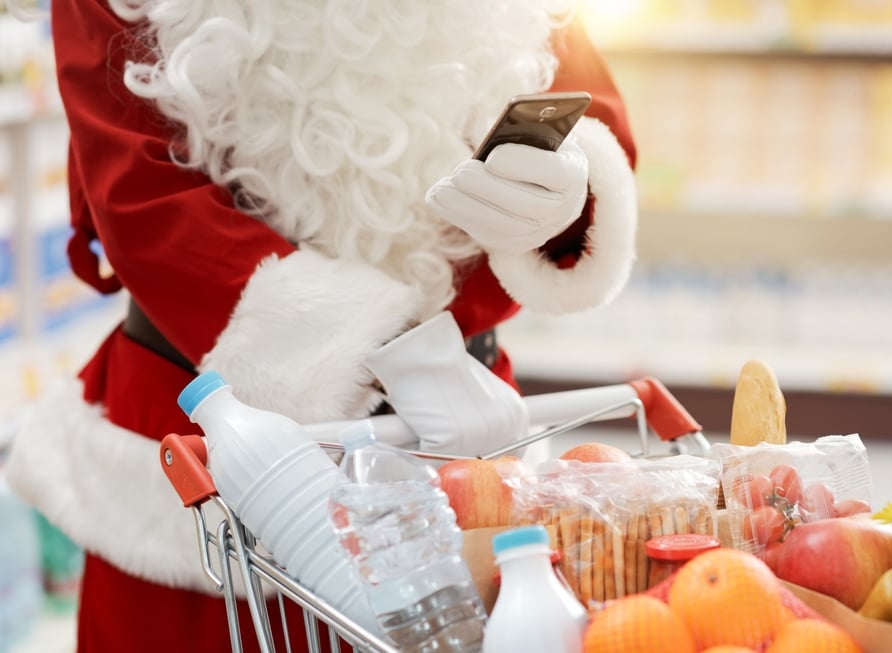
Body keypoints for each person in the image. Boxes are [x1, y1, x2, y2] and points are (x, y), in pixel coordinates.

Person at [7, 0, 638, 651]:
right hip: (220, 444)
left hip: (462, 424)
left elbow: (584, 105)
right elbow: (142, 194)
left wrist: (565, 193)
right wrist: (384, 349)